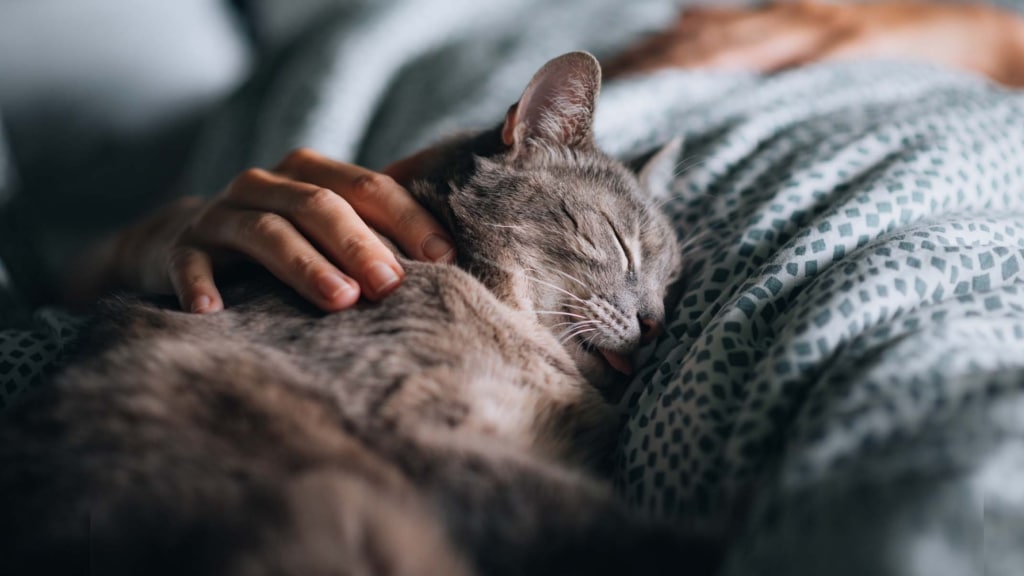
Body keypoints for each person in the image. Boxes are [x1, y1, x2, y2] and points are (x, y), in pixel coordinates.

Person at [32, 0, 1024, 316]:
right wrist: (139, 250)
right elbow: (51, 281)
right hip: (405, 181)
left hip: (888, 113)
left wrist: (990, 39)